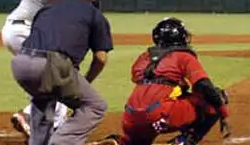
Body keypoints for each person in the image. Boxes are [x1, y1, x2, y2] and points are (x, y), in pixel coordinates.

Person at [88, 18, 231, 145]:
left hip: (130, 117)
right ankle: (183, 141)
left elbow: (139, 78)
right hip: (159, 115)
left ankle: (117, 141)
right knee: (215, 97)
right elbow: (203, 86)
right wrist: (223, 112)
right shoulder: (184, 56)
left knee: (135, 141)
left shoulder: (144, 57)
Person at [11, 0, 113, 145]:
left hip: (20, 62)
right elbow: (100, 59)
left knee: (44, 99)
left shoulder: (47, 7)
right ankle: (61, 142)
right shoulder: (94, 13)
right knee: (95, 106)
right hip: (51, 64)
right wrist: (86, 80)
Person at [3, 0, 85, 138]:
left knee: (56, 77)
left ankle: (42, 119)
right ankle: (33, 117)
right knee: (59, 74)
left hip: (32, 33)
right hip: (22, 30)